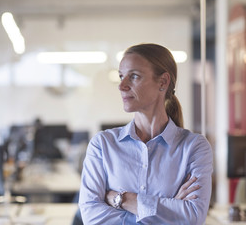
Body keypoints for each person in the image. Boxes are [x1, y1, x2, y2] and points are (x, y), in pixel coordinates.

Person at [78, 43, 213, 224]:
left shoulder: (194, 147)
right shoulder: (102, 144)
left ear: (163, 82)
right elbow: (92, 217)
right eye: (121, 76)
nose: (122, 86)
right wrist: (171, 209)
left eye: (134, 76)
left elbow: (194, 216)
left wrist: (122, 200)